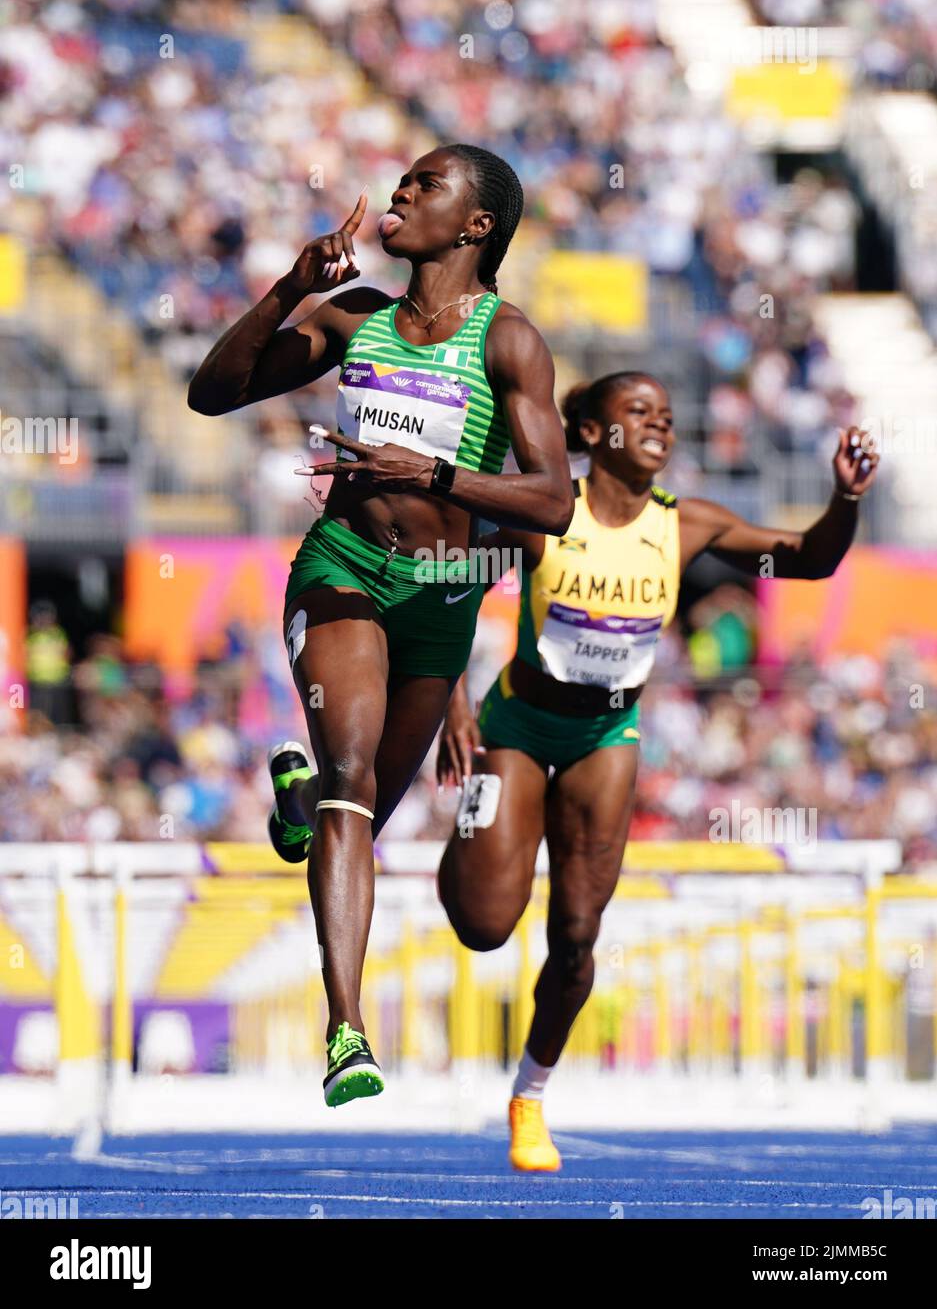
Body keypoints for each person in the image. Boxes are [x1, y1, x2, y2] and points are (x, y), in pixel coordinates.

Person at [188, 144, 574, 1106]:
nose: (400, 194)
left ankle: (297, 801)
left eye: (425, 186)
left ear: (476, 226)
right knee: (354, 788)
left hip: (442, 597)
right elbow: (213, 391)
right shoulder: (355, 317)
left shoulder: (508, 342)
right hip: (343, 568)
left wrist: (432, 476)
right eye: (400, 182)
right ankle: (346, 1030)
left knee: (349, 812)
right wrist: (287, 289)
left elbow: (554, 502)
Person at [435, 370, 879, 1169]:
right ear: (596, 433)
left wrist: (842, 500)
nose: (661, 427)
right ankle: (469, 847)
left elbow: (804, 561)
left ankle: (529, 1098)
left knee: (575, 935)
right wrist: (449, 700)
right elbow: (451, 581)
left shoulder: (687, 527)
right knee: (483, 924)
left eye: (669, 417)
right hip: (517, 726)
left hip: (607, 733)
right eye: (639, 413)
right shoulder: (549, 512)